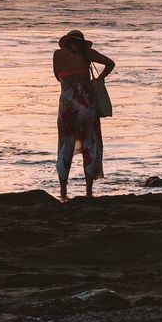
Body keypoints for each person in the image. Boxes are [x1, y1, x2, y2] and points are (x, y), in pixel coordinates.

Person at [53, 30, 114, 199]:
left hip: (67, 106)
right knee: (90, 144)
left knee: (65, 146)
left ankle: (63, 189)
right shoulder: (87, 53)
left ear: (66, 42)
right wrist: (100, 78)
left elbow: (57, 77)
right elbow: (110, 63)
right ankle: (88, 190)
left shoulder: (58, 55)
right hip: (87, 106)